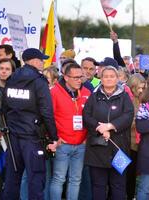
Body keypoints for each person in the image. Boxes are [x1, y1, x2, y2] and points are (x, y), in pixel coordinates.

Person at [2, 48, 58, 200]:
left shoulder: (11, 78)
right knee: (36, 179)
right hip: (32, 138)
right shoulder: (39, 81)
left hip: (13, 136)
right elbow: (47, 112)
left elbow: (4, 108)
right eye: (41, 59)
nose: (43, 62)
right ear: (33, 60)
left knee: (12, 178)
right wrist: (54, 137)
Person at [83, 66, 134, 200]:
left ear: (117, 78)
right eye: (106, 76)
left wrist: (110, 126)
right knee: (98, 185)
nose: (109, 79)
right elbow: (86, 116)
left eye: (112, 76)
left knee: (118, 185)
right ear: (101, 78)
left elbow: (128, 116)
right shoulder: (94, 96)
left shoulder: (125, 97)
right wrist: (100, 128)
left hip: (119, 148)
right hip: (97, 149)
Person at [49, 63, 91, 200]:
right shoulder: (54, 92)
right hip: (63, 144)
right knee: (59, 178)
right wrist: (55, 138)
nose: (79, 80)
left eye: (81, 77)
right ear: (66, 77)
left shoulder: (86, 92)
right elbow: (48, 117)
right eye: (76, 77)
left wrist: (86, 138)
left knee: (75, 179)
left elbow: (91, 117)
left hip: (81, 144)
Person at [0, 58, 16, 199]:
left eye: (7, 69)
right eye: (1, 68)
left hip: (13, 138)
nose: (4, 71)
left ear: (13, 71)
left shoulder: (18, 89)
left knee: (10, 172)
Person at [126, 73, 146, 200]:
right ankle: (129, 196)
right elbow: (125, 121)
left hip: (142, 144)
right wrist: (139, 120)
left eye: (143, 87)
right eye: (138, 88)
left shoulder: (145, 99)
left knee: (139, 174)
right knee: (128, 174)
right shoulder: (127, 99)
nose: (140, 90)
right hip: (128, 144)